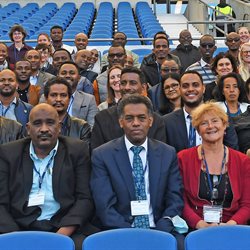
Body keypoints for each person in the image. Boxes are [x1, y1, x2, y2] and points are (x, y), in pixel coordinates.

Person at [91, 94, 184, 249]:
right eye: (129, 118)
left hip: (159, 228)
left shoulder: (167, 153)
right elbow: (104, 206)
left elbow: (175, 197)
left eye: (141, 118)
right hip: (119, 230)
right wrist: (131, 233)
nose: (136, 123)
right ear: (121, 122)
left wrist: (163, 225)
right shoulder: (102, 155)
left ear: (150, 121)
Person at [0, 103, 96, 250]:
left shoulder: (77, 150)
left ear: (59, 127)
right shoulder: (9, 153)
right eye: (37, 123)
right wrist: (18, 239)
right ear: (28, 129)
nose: (44, 129)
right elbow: (1, 204)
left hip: (63, 226)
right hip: (20, 226)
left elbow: (85, 199)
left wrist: (62, 235)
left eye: (50, 123)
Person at [178, 102, 250, 230]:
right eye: (204, 123)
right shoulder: (183, 158)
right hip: (196, 229)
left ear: (224, 125)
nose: (210, 126)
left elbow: (247, 204)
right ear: (198, 130)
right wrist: (199, 224)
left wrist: (231, 225)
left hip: (233, 228)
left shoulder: (243, 161)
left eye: (215, 121)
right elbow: (181, 200)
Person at [91, 67, 166, 150]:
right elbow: (97, 155)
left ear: (143, 88)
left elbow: (160, 153)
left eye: (133, 83)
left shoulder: (156, 120)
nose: (127, 87)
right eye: (123, 83)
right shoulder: (102, 118)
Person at [163, 71, 238, 153]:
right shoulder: (166, 122)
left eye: (195, 85)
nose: (191, 89)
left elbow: (232, 151)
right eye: (185, 86)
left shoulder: (222, 117)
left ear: (203, 88)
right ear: (180, 90)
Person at [44, 77, 91, 145]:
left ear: (69, 99)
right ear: (46, 98)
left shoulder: (81, 127)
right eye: (54, 95)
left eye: (63, 95)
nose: (58, 99)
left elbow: (84, 154)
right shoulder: (36, 126)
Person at [58, 62, 98, 127]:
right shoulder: (46, 97)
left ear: (79, 78)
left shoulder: (89, 99)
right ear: (58, 76)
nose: (67, 76)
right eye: (63, 73)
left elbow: (92, 126)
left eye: (72, 73)